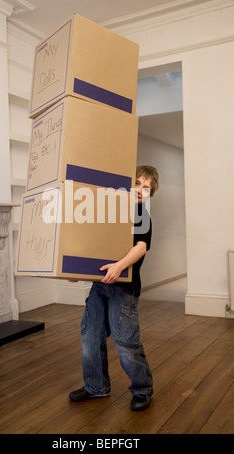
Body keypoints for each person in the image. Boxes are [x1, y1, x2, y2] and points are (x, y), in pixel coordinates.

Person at [69, 165, 159, 411]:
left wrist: (120, 266)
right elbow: (93, 244)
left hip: (124, 289)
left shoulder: (141, 214)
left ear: (151, 194)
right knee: (90, 337)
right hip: (99, 287)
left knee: (125, 341)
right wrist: (76, 271)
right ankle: (96, 387)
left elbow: (141, 246)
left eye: (147, 187)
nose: (141, 189)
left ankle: (142, 388)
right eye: (137, 182)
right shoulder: (111, 211)